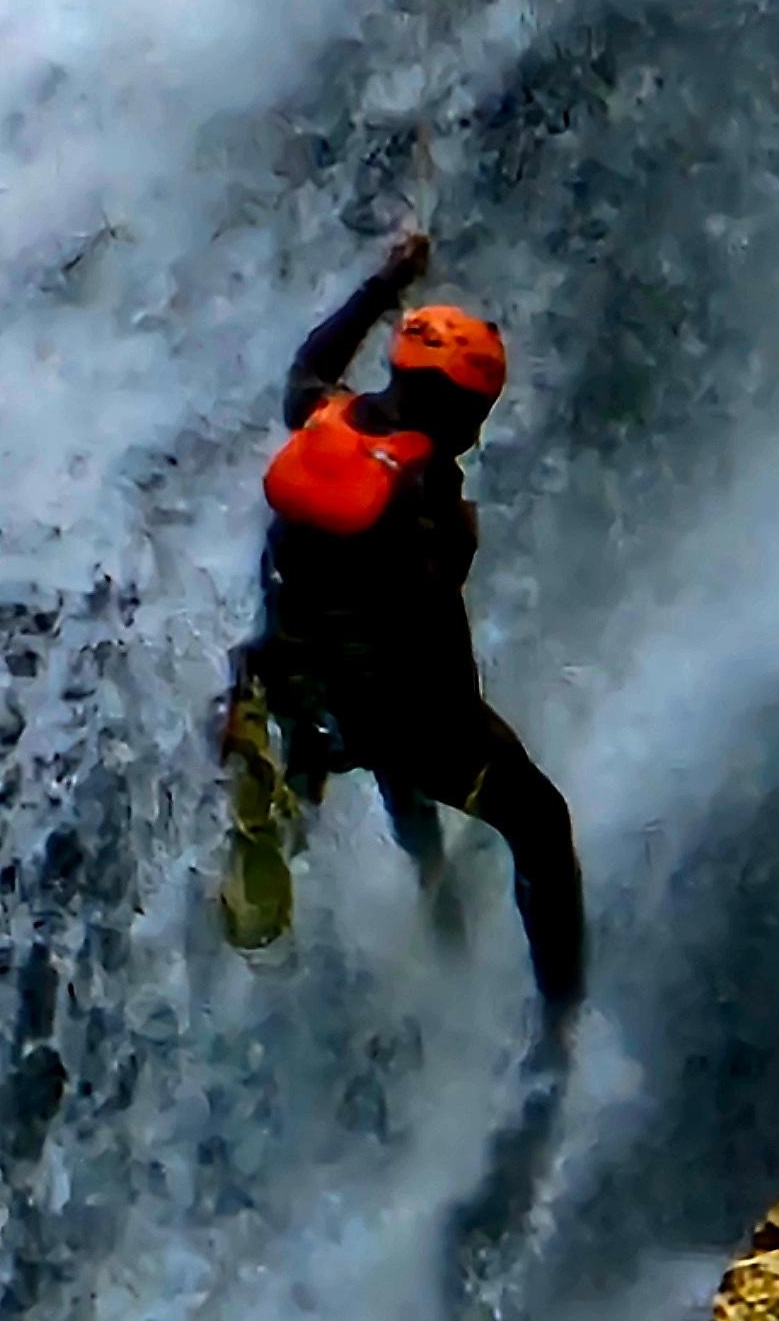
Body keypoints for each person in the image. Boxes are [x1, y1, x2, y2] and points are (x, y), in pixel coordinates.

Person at [221, 231, 584, 1016]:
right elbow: (428, 654)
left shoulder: (324, 418)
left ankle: (430, 882)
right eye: (476, 414)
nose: (478, 433)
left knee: (397, 767)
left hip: (289, 676)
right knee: (541, 824)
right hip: (377, 707)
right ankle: (561, 1025)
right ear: (456, 409)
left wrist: (388, 279)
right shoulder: (420, 503)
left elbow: (309, 363)